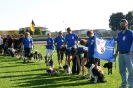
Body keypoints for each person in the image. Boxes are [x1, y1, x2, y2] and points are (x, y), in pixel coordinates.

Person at [115, 19, 133, 88]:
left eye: (124, 24)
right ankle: (123, 84)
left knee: (131, 71)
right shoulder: (119, 34)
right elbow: (118, 44)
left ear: (127, 25)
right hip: (121, 54)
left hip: (128, 54)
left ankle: (131, 85)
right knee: (122, 70)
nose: (122, 25)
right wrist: (116, 52)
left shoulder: (130, 32)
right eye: (121, 24)